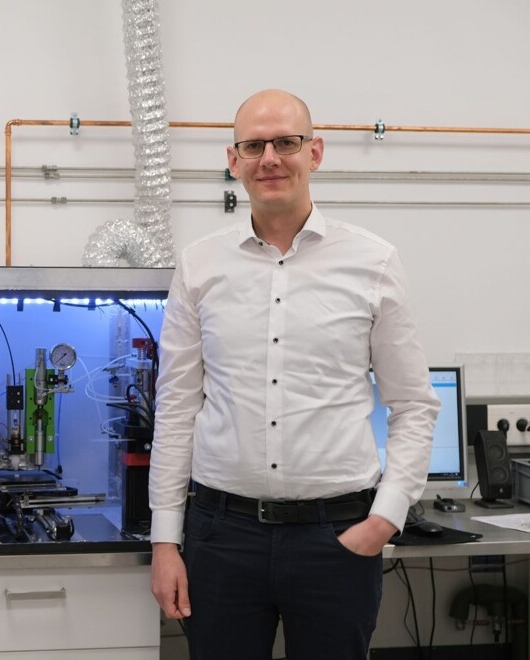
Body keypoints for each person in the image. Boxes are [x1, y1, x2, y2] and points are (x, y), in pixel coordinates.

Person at [147, 89, 441, 660]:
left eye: (286, 142)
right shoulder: (199, 265)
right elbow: (178, 405)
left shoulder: (373, 262)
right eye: (253, 146)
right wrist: (165, 541)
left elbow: (412, 405)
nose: (270, 159)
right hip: (221, 538)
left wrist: (386, 517)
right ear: (233, 161)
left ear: (315, 152)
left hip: (337, 538)